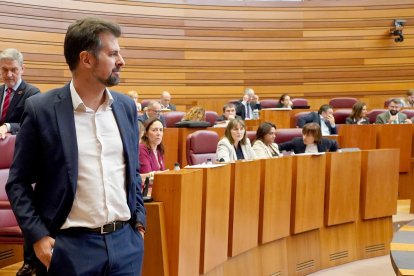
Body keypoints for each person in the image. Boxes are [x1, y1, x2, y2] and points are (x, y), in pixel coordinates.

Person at [6, 17, 146, 276]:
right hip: (71, 250)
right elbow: (18, 183)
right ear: (87, 59)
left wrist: (139, 223)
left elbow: (132, 172)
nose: (121, 61)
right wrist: (37, 236)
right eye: (113, 53)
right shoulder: (42, 110)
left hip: (126, 245)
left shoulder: (126, 107)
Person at [0, 48, 40, 140]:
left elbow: (33, 123)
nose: (9, 74)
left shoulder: (33, 93)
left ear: (22, 69)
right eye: (5, 69)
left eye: (14, 70)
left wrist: (7, 126)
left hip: (18, 148)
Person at [139, 118, 166, 182]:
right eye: (154, 130)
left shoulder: (159, 150)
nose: (159, 133)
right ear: (146, 133)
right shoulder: (142, 149)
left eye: (161, 130)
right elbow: (148, 178)